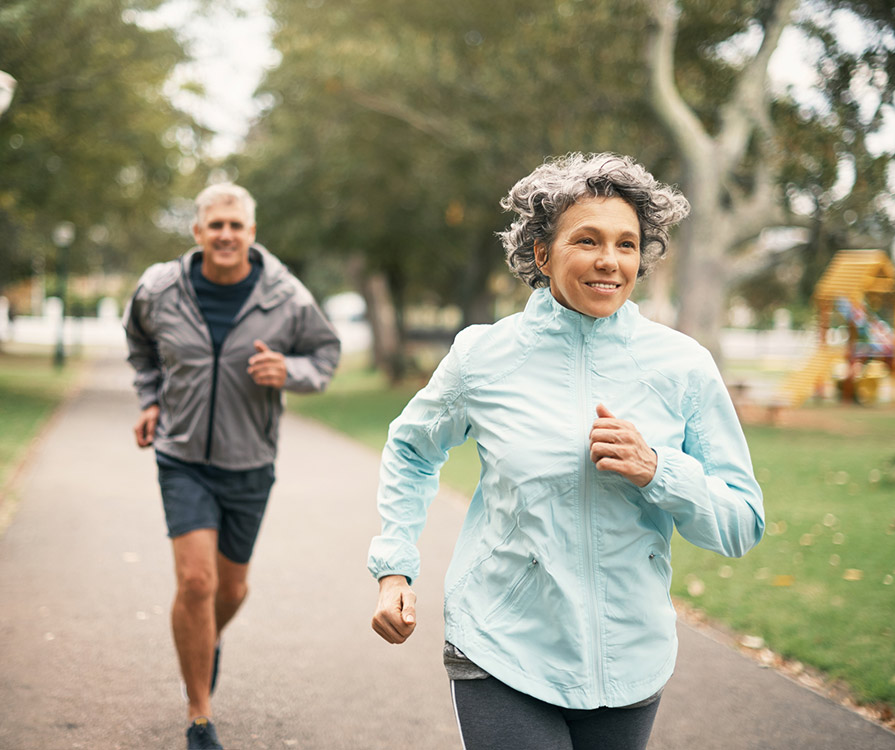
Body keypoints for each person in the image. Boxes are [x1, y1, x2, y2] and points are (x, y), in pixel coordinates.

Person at [368, 153, 764, 750]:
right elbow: (411, 448)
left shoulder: (683, 366)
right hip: (501, 645)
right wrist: (394, 566)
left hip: (631, 658)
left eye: (627, 244)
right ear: (542, 253)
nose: (610, 260)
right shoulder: (483, 357)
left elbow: (742, 524)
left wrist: (659, 471)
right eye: (587, 240)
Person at [124, 182, 340, 750]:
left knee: (232, 589)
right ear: (198, 231)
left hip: (250, 460)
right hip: (182, 457)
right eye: (215, 225)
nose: (225, 235)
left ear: (251, 232)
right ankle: (199, 715)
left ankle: (202, 641)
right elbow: (140, 344)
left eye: (235, 225)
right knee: (197, 581)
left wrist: (288, 372)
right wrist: (149, 399)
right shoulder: (159, 288)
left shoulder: (286, 296)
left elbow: (325, 355)